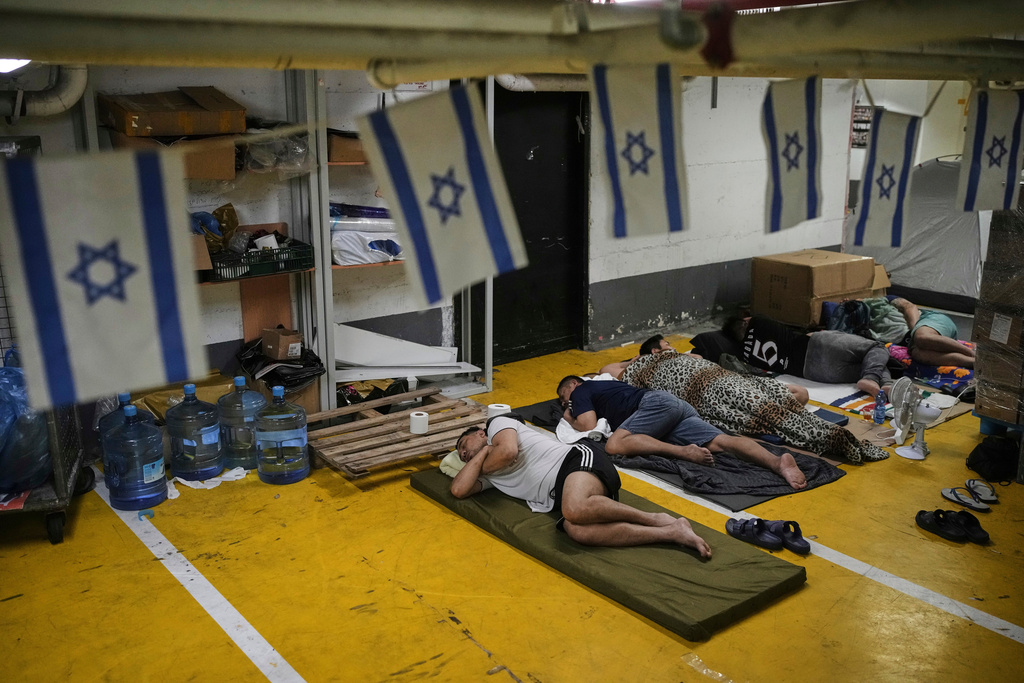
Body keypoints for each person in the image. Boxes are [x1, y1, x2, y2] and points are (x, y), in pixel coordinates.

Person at [450, 415, 712, 557]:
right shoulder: (486, 470)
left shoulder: (497, 424)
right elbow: (459, 490)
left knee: (574, 509)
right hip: (559, 495)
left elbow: (507, 452)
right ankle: (672, 532)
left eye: (463, 445)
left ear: (480, 433)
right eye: (461, 456)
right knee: (577, 531)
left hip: (575, 460)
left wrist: (487, 453)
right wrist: (481, 457)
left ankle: (656, 519)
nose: (463, 454)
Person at [601, 336, 888, 463]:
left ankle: (820, 432)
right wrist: (637, 359)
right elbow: (607, 369)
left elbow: (698, 360)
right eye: (666, 344)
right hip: (710, 391)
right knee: (767, 413)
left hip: (726, 379)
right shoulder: (640, 366)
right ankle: (832, 438)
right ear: (653, 351)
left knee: (790, 397)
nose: (672, 347)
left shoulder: (688, 357)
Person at [555, 376, 808, 490]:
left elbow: (587, 424)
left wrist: (568, 416)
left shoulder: (582, 390)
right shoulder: (607, 385)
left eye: (563, 396)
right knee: (721, 442)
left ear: (573, 384)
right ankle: (777, 463)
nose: (565, 402)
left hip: (655, 405)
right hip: (671, 407)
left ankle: (684, 452)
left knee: (614, 445)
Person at [723, 314, 892, 399]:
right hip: (817, 346)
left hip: (814, 373)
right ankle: (874, 379)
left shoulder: (745, 356)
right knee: (876, 347)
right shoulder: (758, 322)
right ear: (745, 321)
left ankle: (885, 386)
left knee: (869, 365)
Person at [881, 298, 974, 368]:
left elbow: (909, 307)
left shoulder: (883, 300)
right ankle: (974, 363)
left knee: (921, 338)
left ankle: (972, 354)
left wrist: (914, 330)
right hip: (913, 344)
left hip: (929, 321)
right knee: (918, 354)